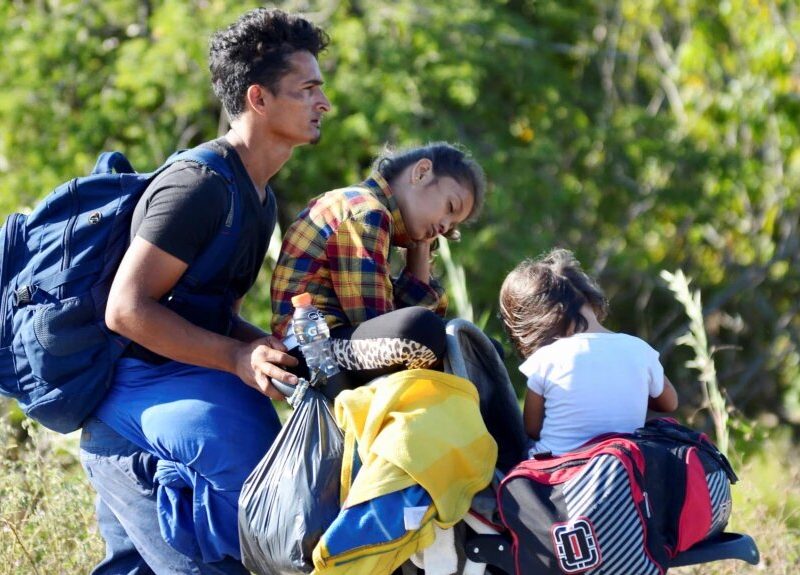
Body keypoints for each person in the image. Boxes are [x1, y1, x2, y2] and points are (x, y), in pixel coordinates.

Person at [79, 8, 331, 574]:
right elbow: (126, 309)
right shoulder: (198, 186)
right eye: (308, 89)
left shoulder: (259, 196)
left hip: (170, 408)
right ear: (259, 99)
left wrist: (262, 348)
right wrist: (236, 357)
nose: (324, 103)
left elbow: (214, 313)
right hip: (129, 419)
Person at [270, 142, 486, 384]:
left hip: (344, 344)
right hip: (313, 351)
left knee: (474, 348)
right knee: (425, 330)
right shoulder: (366, 210)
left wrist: (421, 246)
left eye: (452, 226)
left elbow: (386, 329)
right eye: (450, 207)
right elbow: (376, 323)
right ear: (422, 172)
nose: (445, 226)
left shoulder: (376, 213)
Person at [498, 248, 678, 457]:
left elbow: (532, 428)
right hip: (622, 470)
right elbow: (670, 403)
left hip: (556, 478)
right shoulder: (639, 349)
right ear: (592, 299)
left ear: (535, 324)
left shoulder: (545, 360)